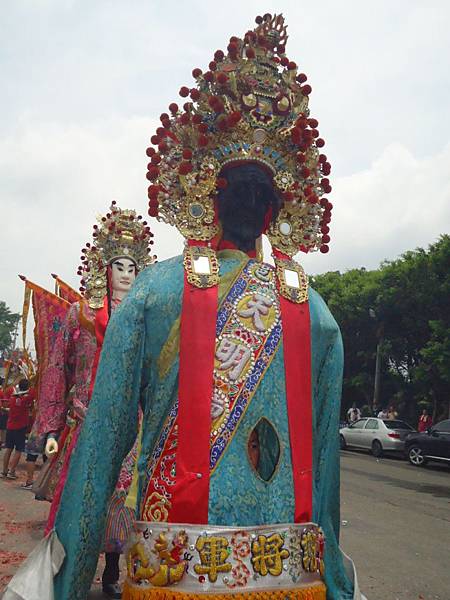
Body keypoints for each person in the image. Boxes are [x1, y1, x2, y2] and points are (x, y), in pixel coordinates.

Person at [4, 13, 365, 600]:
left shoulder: (152, 293)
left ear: (207, 196)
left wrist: (63, 584)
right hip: (288, 577)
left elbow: (98, 461)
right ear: (277, 213)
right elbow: (325, 487)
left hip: (176, 575)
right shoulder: (317, 315)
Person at [35, 203, 156, 599]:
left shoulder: (146, 319)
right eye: (119, 265)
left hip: (132, 429)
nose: (125, 274)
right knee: (81, 500)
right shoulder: (80, 315)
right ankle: (69, 568)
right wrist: (51, 427)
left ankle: (113, 571)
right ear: (104, 270)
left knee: (122, 504)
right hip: (85, 424)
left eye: (132, 268)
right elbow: (57, 369)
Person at [1, 379, 33, 479]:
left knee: (8, 449)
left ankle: (4, 471)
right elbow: (34, 392)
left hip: (10, 426)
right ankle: (12, 471)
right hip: (20, 427)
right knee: (18, 450)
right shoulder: (25, 399)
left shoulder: (12, 398)